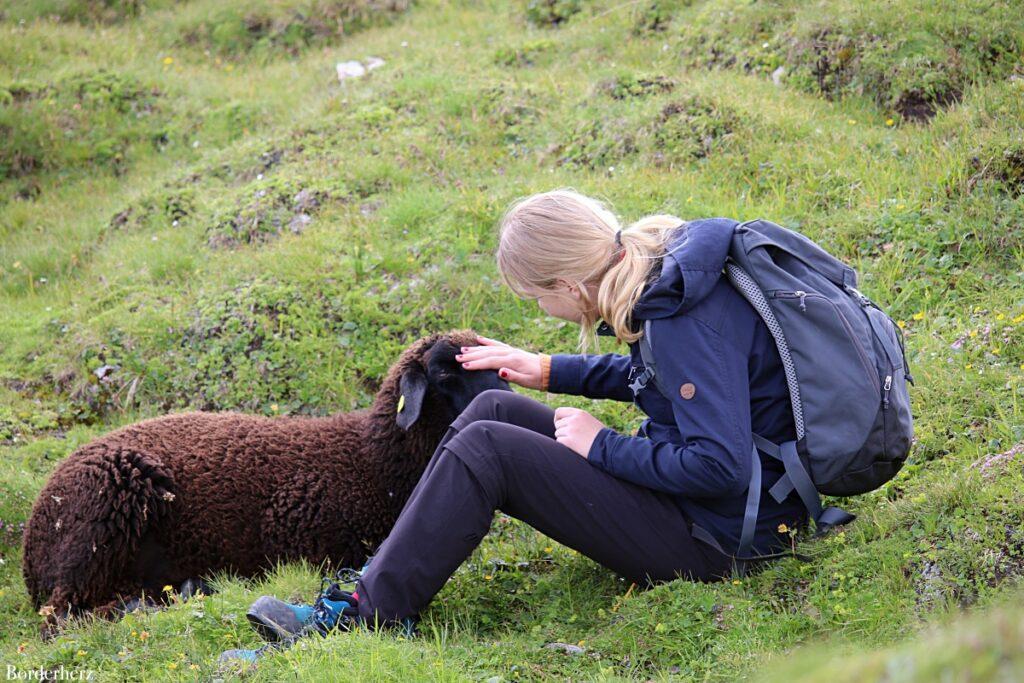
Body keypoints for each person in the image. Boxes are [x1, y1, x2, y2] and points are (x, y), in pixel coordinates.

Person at [219, 188, 807, 665]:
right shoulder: (664, 279)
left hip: (726, 540)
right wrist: (546, 369)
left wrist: (601, 445)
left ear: (567, 287)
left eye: (536, 297)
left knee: (490, 449)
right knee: (491, 411)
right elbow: (661, 376)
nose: (539, 310)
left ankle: (364, 620)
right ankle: (376, 583)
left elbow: (719, 465)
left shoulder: (679, 319)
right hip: (729, 509)